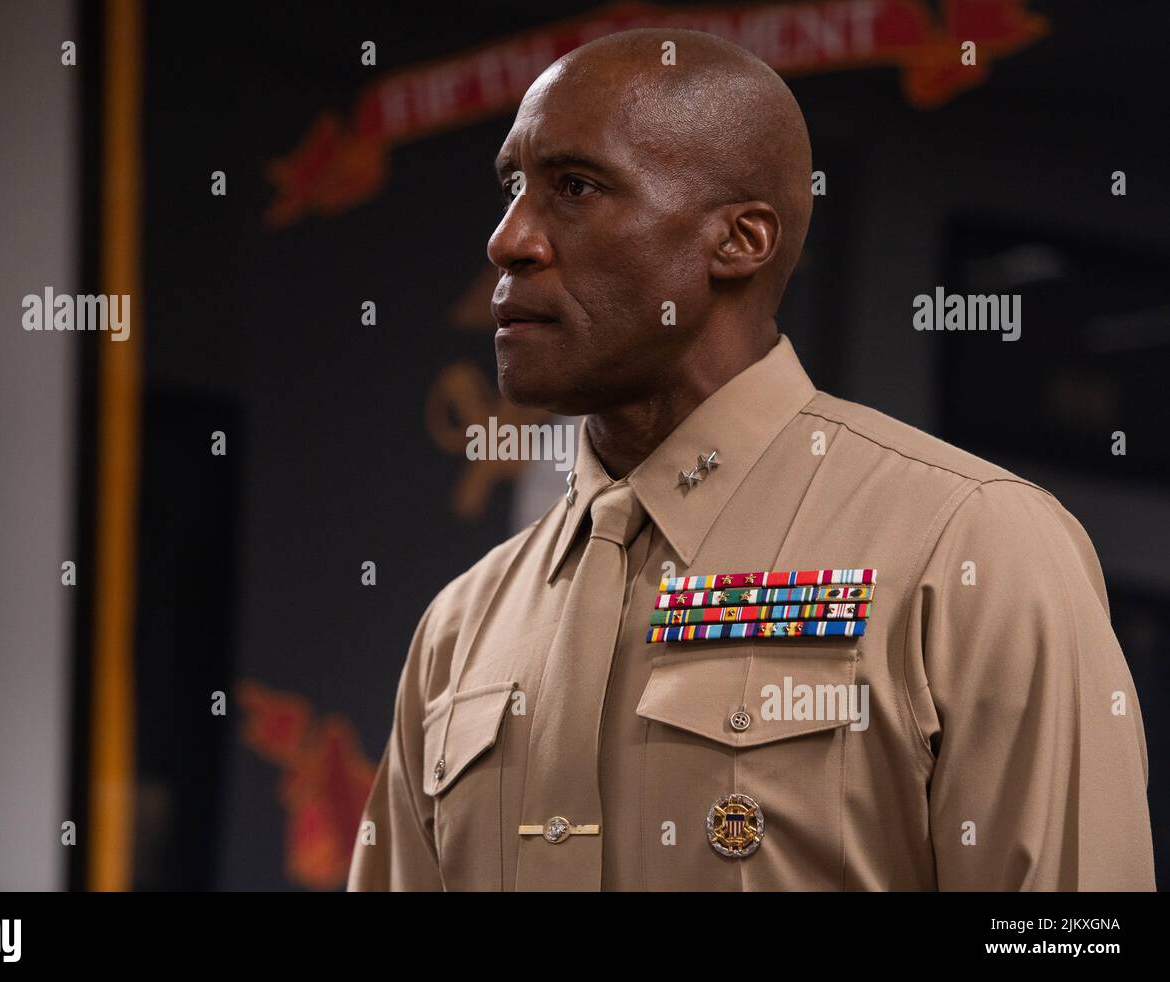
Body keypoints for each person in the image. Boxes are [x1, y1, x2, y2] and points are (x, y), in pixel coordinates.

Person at [347, 27, 1155, 890]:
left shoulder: (970, 549)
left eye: (575, 187)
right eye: (513, 188)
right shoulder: (461, 630)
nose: (509, 241)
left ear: (739, 241)